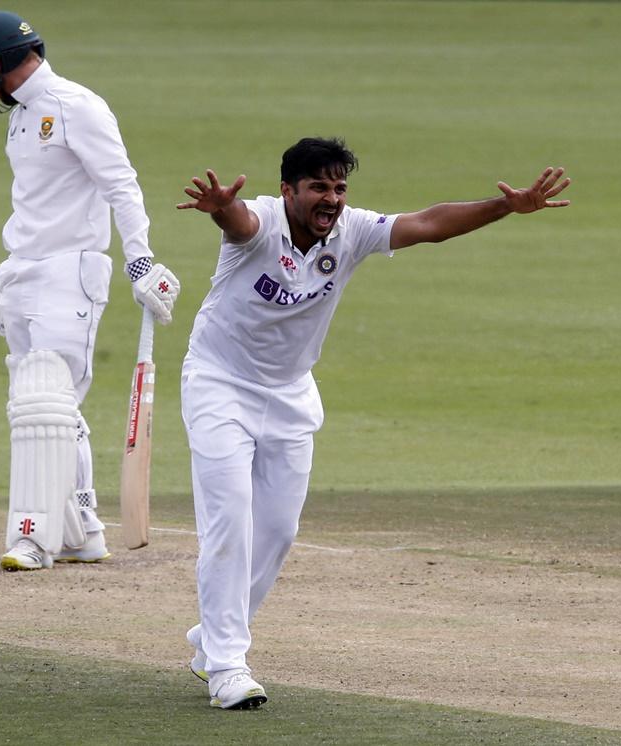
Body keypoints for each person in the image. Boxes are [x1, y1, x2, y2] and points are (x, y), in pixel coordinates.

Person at [175, 137, 571, 709]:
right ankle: (226, 665)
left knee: (278, 531)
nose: (331, 198)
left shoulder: (351, 230)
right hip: (220, 384)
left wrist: (506, 205)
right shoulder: (260, 218)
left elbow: (429, 224)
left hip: (288, 392)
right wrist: (219, 206)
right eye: (318, 187)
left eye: (339, 187)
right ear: (288, 190)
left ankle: (211, 637)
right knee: (229, 520)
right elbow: (238, 225)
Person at [0, 11, 180, 571]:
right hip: (24, 270)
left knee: (49, 405)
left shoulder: (76, 105)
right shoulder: (22, 117)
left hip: (70, 272)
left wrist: (140, 261)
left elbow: (121, 185)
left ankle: (33, 537)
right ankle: (83, 530)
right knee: (41, 411)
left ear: (1, 60)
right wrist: (9, 274)